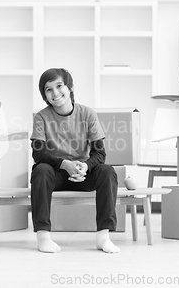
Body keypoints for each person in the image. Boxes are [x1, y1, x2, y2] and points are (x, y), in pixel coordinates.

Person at [30, 68, 119, 253]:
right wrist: (64, 164)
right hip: (56, 175)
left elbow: (100, 153)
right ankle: (43, 236)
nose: (55, 93)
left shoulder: (87, 114)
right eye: (48, 89)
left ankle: (103, 236)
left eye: (59, 86)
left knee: (107, 171)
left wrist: (85, 166)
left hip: (82, 174)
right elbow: (38, 154)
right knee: (40, 170)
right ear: (45, 95)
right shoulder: (41, 117)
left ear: (69, 87)